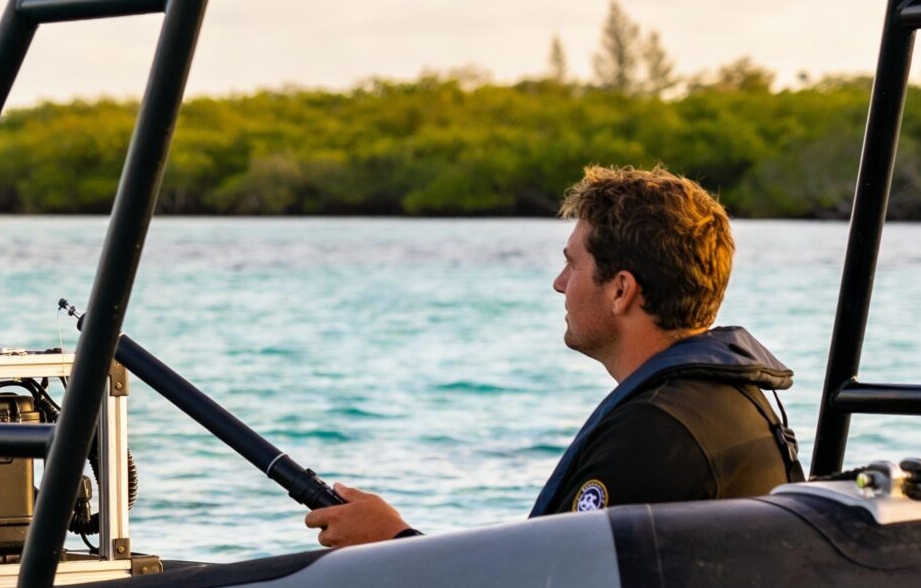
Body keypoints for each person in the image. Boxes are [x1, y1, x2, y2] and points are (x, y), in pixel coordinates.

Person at [308, 165, 800, 549]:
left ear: (621, 291)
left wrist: (391, 543)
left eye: (573, 264)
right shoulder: (730, 400)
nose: (559, 284)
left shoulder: (656, 433)